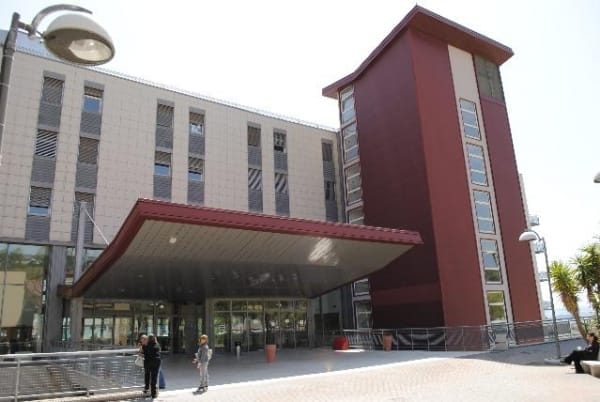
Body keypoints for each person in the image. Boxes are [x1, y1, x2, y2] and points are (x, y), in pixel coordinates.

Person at [142, 334, 161, 398]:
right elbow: (159, 352)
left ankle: (146, 388)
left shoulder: (145, 345)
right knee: (154, 378)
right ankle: (153, 394)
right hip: (156, 361)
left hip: (148, 362)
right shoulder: (157, 345)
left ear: (148, 339)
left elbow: (142, 352)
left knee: (147, 375)